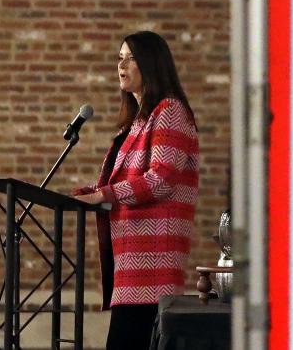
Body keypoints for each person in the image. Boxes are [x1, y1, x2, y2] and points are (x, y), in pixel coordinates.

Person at [73, 30, 199, 350]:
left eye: (131, 58)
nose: (122, 64)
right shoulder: (136, 123)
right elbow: (120, 184)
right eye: (119, 57)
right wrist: (88, 192)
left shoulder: (169, 111)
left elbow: (161, 179)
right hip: (130, 267)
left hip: (153, 266)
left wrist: (104, 195)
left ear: (151, 64)